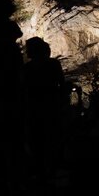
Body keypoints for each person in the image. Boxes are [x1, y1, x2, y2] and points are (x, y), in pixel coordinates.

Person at [22, 36, 66, 187]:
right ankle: (50, 172)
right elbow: (62, 85)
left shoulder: (27, 69)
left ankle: (42, 173)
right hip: (51, 107)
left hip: (36, 109)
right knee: (50, 141)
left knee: (38, 143)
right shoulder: (53, 64)